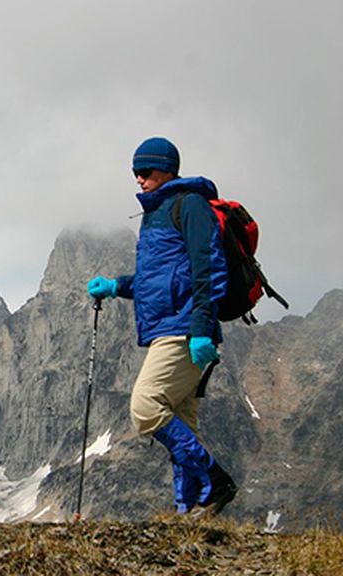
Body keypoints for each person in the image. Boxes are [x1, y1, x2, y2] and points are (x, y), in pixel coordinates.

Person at [87, 136, 238, 516]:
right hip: (168, 328)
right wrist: (116, 286)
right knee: (183, 421)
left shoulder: (191, 206)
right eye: (135, 172)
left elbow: (208, 269)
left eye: (145, 171)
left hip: (184, 330)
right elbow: (156, 281)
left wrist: (202, 327)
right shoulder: (157, 215)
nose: (138, 179)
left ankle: (216, 481)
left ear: (166, 169)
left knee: (145, 407)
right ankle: (190, 511)